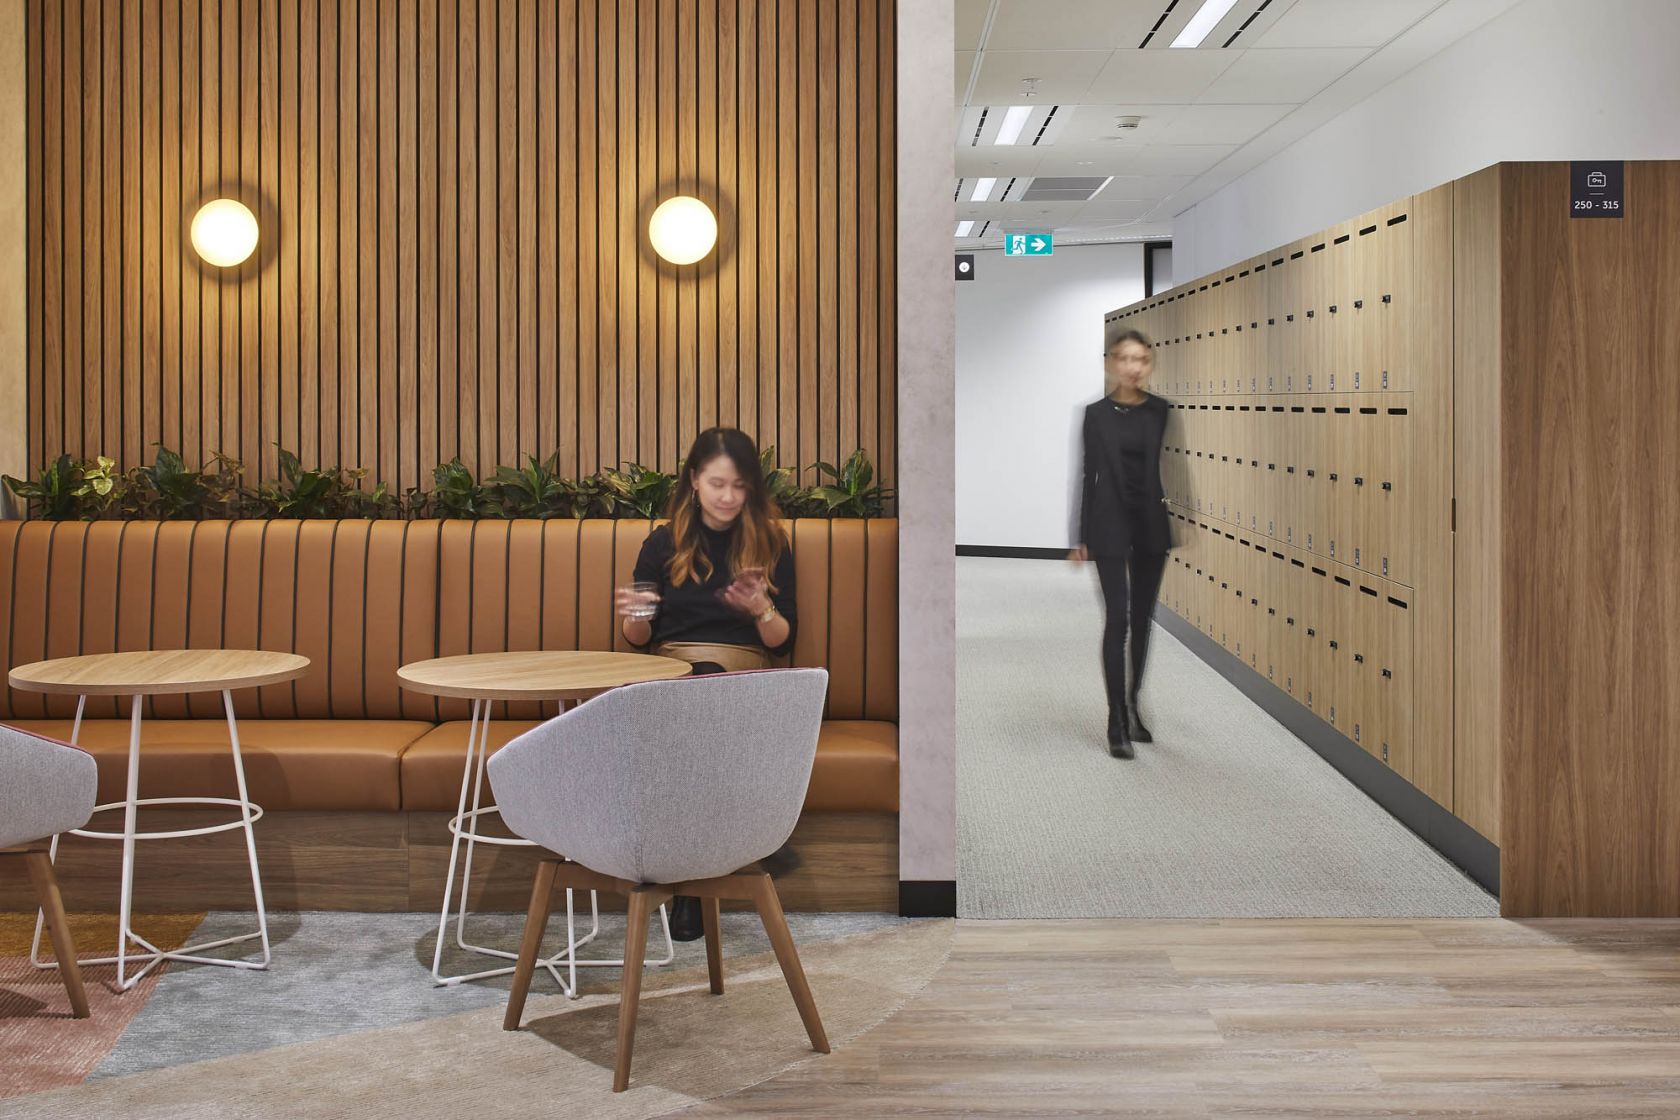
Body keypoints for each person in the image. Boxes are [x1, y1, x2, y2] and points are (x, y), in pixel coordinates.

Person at [616, 427, 798, 938]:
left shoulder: (769, 542)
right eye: (718, 483)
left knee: (707, 688)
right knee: (693, 690)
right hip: (671, 673)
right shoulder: (662, 543)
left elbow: (783, 641)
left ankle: (684, 881)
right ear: (694, 480)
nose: (728, 497)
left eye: (739, 486)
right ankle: (707, 872)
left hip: (741, 675)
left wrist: (760, 606)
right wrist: (634, 614)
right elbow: (638, 639)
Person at [1069, 329, 1173, 760]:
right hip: (1108, 527)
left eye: (1142, 360)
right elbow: (1086, 475)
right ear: (1111, 362)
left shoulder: (1161, 411)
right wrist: (1079, 537)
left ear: (1150, 364)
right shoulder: (1095, 414)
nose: (1133, 367)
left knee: (1144, 619)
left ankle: (1133, 703)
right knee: (1118, 620)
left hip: (1150, 525)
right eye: (1126, 359)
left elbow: (1165, 468)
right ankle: (1114, 720)